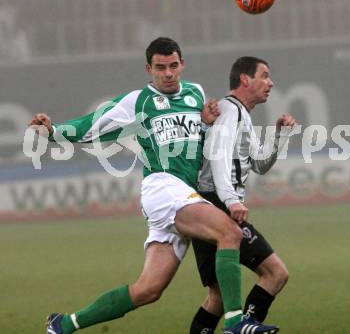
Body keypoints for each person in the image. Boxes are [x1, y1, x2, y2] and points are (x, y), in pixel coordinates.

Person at [29, 38, 278, 334]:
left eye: (173, 65)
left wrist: (205, 122)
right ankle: (236, 322)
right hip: (162, 188)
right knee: (229, 232)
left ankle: (65, 324)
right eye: (161, 68)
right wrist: (54, 131)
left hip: (185, 193)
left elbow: (195, 138)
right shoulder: (138, 101)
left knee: (148, 290)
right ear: (149, 69)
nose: (168, 73)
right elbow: (93, 124)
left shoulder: (195, 93)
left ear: (182, 64)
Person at [190, 56, 296, 334]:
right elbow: (218, 156)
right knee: (275, 273)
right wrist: (231, 200)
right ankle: (242, 328)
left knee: (220, 297)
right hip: (216, 203)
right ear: (245, 79)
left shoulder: (240, 114)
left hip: (208, 203)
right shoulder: (229, 111)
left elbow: (259, 164)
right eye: (265, 75)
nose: (270, 82)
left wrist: (280, 136)